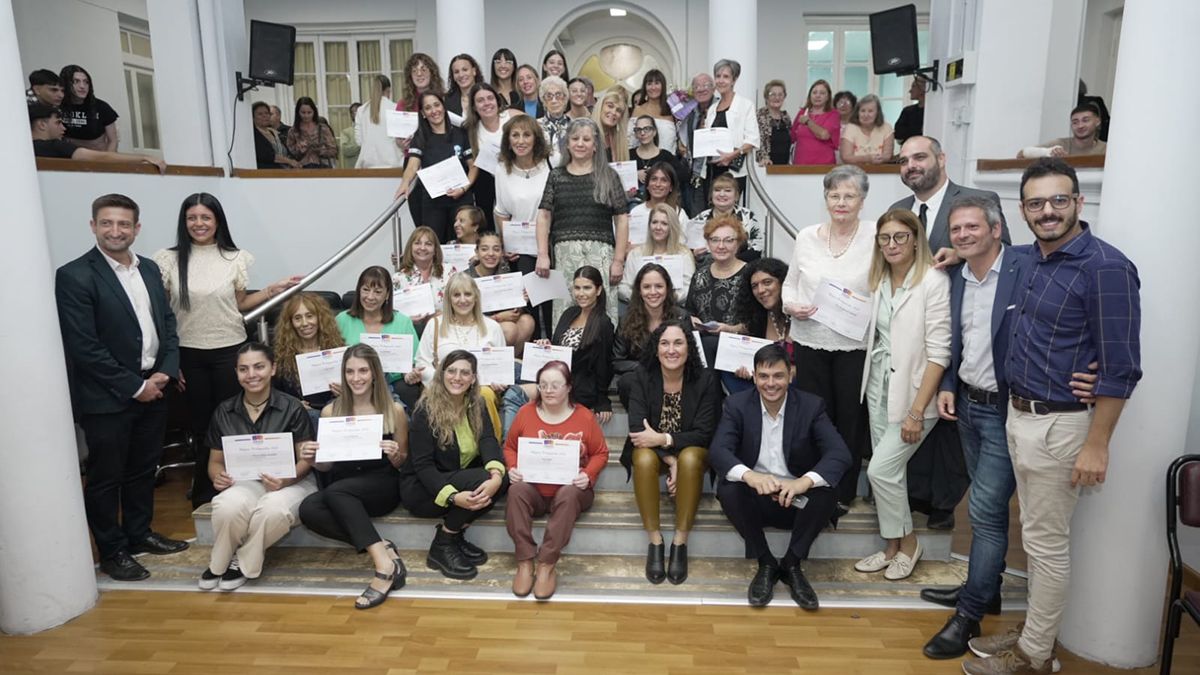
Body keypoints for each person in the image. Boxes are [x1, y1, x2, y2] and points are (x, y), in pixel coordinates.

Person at [962, 158, 1141, 675]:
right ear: (1022, 210)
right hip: (1020, 418)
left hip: (1061, 426)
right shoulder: (1031, 260)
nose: (1047, 211)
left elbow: (1122, 368)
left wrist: (1097, 443)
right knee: (1035, 538)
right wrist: (957, 252)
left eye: (1059, 200)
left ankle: (1035, 654)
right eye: (1036, 203)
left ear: (1079, 204)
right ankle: (1038, 629)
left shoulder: (1105, 268)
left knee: (1046, 543)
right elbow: (988, 253)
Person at [919, 196, 1099, 660]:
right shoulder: (956, 276)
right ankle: (988, 588)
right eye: (955, 230)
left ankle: (971, 611)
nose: (961, 235)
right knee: (988, 507)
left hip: (1007, 409)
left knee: (983, 509)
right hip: (969, 405)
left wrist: (1098, 368)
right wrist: (952, 383)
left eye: (972, 227)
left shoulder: (1024, 266)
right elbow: (961, 337)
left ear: (998, 229)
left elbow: (1070, 316)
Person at [55, 193, 188, 581]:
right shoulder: (75, 275)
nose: (116, 231)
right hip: (108, 398)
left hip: (154, 388)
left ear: (137, 229)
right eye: (108, 223)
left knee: (144, 470)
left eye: (124, 224)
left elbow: (167, 325)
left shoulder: (148, 269)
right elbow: (84, 347)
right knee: (105, 478)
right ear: (93, 226)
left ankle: (139, 533)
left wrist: (165, 370)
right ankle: (112, 551)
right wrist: (135, 387)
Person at [153, 193, 300, 507]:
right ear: (184, 222)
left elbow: (240, 305)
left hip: (229, 352)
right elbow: (165, 314)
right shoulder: (168, 259)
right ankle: (204, 489)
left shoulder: (235, 258)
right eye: (192, 218)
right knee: (202, 424)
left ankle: (238, 487)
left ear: (217, 220)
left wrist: (272, 290)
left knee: (232, 424)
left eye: (205, 217)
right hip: (189, 353)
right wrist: (170, 359)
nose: (199, 223)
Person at [709, 344, 851, 608]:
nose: (770, 384)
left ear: (791, 375)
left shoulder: (811, 406)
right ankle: (766, 562)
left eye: (778, 376)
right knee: (729, 488)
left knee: (827, 491)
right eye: (763, 376)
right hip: (758, 499)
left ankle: (792, 564)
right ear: (754, 376)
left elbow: (840, 454)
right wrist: (751, 477)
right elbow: (718, 451)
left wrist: (802, 482)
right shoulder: (736, 405)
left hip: (797, 502)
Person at [854, 209, 950, 581]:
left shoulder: (933, 282)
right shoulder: (878, 278)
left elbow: (939, 352)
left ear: (915, 239)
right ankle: (891, 547)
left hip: (914, 397)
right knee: (891, 477)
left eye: (899, 237)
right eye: (884, 238)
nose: (891, 245)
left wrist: (916, 412)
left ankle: (909, 544)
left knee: (881, 470)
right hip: (879, 387)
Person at [781, 165, 875, 514]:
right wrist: (791, 305)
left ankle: (843, 490)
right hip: (809, 340)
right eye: (834, 195)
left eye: (849, 195)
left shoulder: (874, 235)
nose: (841, 202)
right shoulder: (807, 236)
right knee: (814, 417)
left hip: (855, 344)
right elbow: (790, 282)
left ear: (862, 201)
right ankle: (815, 483)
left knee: (849, 418)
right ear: (825, 198)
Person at [298, 344, 410, 609]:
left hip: (381, 486)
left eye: (362, 371)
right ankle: (382, 547)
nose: (356, 378)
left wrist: (395, 454)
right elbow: (326, 466)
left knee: (336, 492)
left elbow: (403, 463)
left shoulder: (394, 410)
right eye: (349, 371)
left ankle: (383, 568)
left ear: (374, 373)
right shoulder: (330, 411)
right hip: (344, 488)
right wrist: (314, 458)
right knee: (308, 508)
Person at [200, 342, 316, 592]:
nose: (251, 375)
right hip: (247, 482)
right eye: (243, 369)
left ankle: (240, 562)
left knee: (272, 509)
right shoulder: (224, 411)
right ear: (236, 373)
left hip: (293, 481)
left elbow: (305, 459)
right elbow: (215, 462)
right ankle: (220, 564)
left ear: (273, 369)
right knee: (226, 505)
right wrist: (216, 477)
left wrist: (286, 480)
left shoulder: (292, 407)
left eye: (259, 367)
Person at [624, 322, 720, 585]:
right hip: (654, 451)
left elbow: (704, 433)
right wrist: (670, 458)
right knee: (642, 459)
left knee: (689, 458)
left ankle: (680, 541)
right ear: (656, 350)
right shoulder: (643, 376)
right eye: (664, 343)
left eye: (678, 343)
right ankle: (655, 540)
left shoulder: (706, 379)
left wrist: (664, 438)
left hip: (692, 450)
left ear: (689, 348)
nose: (671, 350)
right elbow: (636, 429)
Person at [399, 350, 508, 580]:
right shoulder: (425, 410)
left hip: (456, 477)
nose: (457, 377)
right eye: (452, 371)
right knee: (483, 480)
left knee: (502, 477)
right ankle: (443, 543)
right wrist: (453, 497)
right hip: (423, 489)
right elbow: (423, 466)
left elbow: (488, 439)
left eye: (465, 373)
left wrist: (497, 475)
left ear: (473, 378)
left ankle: (455, 534)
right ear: (442, 374)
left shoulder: (476, 403)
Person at [504, 360, 607, 599]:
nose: (549, 390)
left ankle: (546, 565)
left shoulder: (584, 417)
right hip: (535, 491)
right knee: (515, 490)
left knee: (569, 493)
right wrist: (513, 467)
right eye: (543, 385)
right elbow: (510, 448)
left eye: (556, 385)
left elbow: (601, 452)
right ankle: (525, 561)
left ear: (569, 387)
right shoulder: (525, 413)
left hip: (572, 491)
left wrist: (588, 475)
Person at [534, 117, 630, 328]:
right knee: (565, 311)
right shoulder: (556, 176)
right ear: (567, 143)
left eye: (586, 139)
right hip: (564, 254)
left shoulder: (609, 176)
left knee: (601, 312)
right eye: (575, 138)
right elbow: (544, 216)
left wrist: (619, 260)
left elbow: (622, 218)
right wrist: (542, 254)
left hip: (602, 254)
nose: (580, 143)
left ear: (595, 145)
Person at [502, 265, 616, 434]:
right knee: (508, 365)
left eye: (587, 288)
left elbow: (604, 365)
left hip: (573, 384)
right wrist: (546, 345)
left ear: (598, 290)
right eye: (577, 288)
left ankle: (508, 449)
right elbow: (558, 348)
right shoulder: (570, 312)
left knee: (513, 395)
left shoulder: (603, 323)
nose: (581, 293)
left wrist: (602, 400)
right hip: (551, 371)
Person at [891, 135, 1009, 266]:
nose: (911, 166)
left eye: (919, 157)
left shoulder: (980, 201)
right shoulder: (897, 210)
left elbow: (1005, 254)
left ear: (941, 159)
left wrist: (961, 254)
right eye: (903, 161)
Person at [413, 273, 507, 436]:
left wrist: (500, 381)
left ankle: (490, 449)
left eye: (468, 294)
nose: (462, 300)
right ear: (448, 299)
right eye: (456, 295)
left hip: (482, 389)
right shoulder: (434, 325)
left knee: (484, 394)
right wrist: (448, 383)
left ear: (476, 297)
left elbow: (502, 368)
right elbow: (422, 364)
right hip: (443, 388)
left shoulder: (493, 327)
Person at [493, 113, 554, 338]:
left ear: (536, 138)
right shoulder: (502, 169)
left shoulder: (550, 164)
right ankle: (533, 356)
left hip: (549, 242)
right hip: (521, 250)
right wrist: (506, 244)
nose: (520, 140)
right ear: (508, 140)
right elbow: (501, 211)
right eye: (515, 135)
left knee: (549, 304)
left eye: (526, 135)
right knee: (528, 305)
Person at [337, 266, 422, 409]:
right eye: (365, 290)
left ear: (387, 294)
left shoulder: (402, 321)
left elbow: (415, 362)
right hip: (353, 386)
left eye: (377, 292)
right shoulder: (341, 320)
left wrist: (411, 374)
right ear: (358, 291)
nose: (370, 297)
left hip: (392, 386)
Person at [395, 92, 476, 243]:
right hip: (433, 202)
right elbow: (413, 164)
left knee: (462, 244)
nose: (434, 111)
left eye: (437, 105)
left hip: (460, 199)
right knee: (433, 244)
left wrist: (464, 188)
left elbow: (473, 167)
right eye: (428, 108)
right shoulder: (419, 138)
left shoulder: (461, 134)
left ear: (443, 107)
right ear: (423, 114)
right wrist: (405, 183)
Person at [614, 264, 692, 396]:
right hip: (643, 380)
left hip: (676, 377)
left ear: (667, 289)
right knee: (627, 382)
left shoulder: (682, 317)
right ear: (639, 290)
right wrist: (648, 366)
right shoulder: (626, 320)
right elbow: (617, 361)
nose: (653, 292)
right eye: (646, 287)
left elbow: (693, 356)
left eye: (659, 286)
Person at [271, 292, 345, 425]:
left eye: (310, 316)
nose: (304, 323)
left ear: (320, 318)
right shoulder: (281, 356)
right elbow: (274, 393)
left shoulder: (339, 350)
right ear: (290, 323)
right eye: (297, 318)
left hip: (335, 411)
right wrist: (292, 403)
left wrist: (345, 391)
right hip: (298, 416)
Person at [30, 103, 166, 172]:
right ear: (42, 124)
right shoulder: (55, 145)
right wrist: (144, 157)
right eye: (58, 123)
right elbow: (102, 157)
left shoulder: (24, 151)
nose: (63, 128)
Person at [687, 214, 749, 365]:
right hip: (703, 346)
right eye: (715, 240)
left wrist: (729, 329)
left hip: (738, 347)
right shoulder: (700, 274)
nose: (721, 246)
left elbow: (758, 322)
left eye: (728, 240)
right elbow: (689, 310)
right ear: (708, 243)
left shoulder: (750, 274)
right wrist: (692, 320)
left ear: (738, 243)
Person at [725, 256, 792, 395]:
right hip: (768, 385)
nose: (760, 290)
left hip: (798, 384)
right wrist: (748, 370)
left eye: (767, 282)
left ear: (783, 283)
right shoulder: (759, 318)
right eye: (754, 286)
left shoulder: (799, 315)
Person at [466, 82, 523, 233]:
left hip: (518, 177)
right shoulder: (471, 130)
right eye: (480, 100)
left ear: (497, 100)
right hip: (490, 183)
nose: (486, 103)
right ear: (474, 106)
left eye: (490, 98)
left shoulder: (512, 116)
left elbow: (536, 133)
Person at [466, 232, 535, 355]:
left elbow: (515, 311)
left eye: (496, 249)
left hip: (501, 323)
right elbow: (462, 316)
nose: (491, 254)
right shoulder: (466, 278)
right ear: (476, 252)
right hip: (471, 327)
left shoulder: (506, 274)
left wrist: (520, 301)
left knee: (527, 321)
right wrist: (497, 318)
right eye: (484, 249)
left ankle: (511, 363)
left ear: (502, 253)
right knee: (510, 329)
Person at [703, 59, 760, 199]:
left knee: (732, 212)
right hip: (712, 169)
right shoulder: (712, 109)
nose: (721, 80)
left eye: (726, 77)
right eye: (718, 76)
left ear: (734, 80)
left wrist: (732, 155)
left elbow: (752, 140)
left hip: (734, 170)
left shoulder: (745, 105)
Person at [620, 203, 695, 303]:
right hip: (641, 310)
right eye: (654, 222)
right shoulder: (635, 254)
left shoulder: (684, 254)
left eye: (664, 223)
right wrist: (643, 297)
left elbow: (689, 287)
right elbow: (623, 287)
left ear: (672, 227)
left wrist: (667, 298)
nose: (658, 227)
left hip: (674, 309)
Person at [393, 226, 449, 334]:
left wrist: (443, 315)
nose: (422, 248)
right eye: (417, 243)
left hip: (443, 330)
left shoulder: (448, 272)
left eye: (428, 244)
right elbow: (391, 315)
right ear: (411, 247)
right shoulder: (398, 278)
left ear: (435, 250)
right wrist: (407, 320)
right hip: (410, 332)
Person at [625, 162, 686, 250]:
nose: (658, 184)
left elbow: (682, 247)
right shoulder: (636, 212)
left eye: (664, 180)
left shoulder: (679, 214)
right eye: (654, 179)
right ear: (647, 185)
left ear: (671, 187)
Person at [58, 65, 118, 151]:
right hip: (67, 159)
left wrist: (108, 161)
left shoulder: (102, 107)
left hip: (98, 158)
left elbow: (113, 140)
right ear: (66, 84)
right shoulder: (58, 106)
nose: (82, 86)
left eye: (86, 82)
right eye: (76, 81)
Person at [680, 72, 716, 217]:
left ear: (714, 88)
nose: (701, 89)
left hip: (716, 170)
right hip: (695, 172)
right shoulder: (690, 112)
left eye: (705, 85)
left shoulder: (721, 108)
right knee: (697, 217)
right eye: (697, 86)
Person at [1017, 103, 1106, 158]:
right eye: (1075, 122)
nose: (1080, 126)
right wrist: (1048, 152)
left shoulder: (1106, 149)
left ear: (1097, 121)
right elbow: (1021, 154)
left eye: (1085, 120)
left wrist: (1068, 160)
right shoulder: (1060, 144)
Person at [355, 75, 404, 168]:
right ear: (388, 90)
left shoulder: (361, 110)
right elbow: (402, 140)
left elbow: (359, 141)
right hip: (393, 163)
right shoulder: (395, 108)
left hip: (368, 164)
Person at [630, 69, 680, 155]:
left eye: (657, 83)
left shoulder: (671, 110)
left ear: (663, 86)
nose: (653, 87)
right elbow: (631, 142)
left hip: (668, 162)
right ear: (645, 87)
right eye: (649, 84)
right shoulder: (638, 110)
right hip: (644, 163)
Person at [790, 79, 839, 165]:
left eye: (822, 93)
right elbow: (792, 136)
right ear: (810, 95)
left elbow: (824, 135)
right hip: (800, 165)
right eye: (814, 92)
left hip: (824, 165)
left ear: (828, 97)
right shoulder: (802, 112)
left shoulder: (833, 114)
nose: (817, 96)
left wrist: (808, 121)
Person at [840, 94, 895, 165]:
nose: (866, 115)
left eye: (870, 111)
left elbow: (888, 156)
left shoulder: (887, 128)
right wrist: (868, 159)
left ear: (877, 113)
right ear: (858, 112)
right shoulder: (850, 128)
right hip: (854, 172)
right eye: (862, 111)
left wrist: (880, 159)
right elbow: (846, 157)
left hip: (880, 172)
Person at [631, 115, 676, 199]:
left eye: (646, 129)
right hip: (634, 202)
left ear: (654, 132)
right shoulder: (629, 155)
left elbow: (682, 176)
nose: (642, 133)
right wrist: (634, 174)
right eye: (638, 130)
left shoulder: (666, 156)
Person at [286, 97, 338, 168]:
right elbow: (289, 154)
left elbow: (333, 150)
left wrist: (320, 150)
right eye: (303, 112)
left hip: (322, 168)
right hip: (301, 169)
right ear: (298, 113)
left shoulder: (323, 129)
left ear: (314, 112)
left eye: (309, 112)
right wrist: (299, 149)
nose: (306, 116)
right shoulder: (293, 131)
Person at [252, 101, 298, 169]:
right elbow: (268, 156)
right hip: (267, 173)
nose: (264, 116)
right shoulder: (254, 135)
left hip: (285, 171)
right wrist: (290, 161)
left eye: (267, 113)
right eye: (260, 114)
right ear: (253, 117)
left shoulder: (274, 132)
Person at [756, 80, 792, 166]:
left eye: (780, 94)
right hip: (764, 166)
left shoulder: (786, 117)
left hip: (784, 166)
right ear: (766, 97)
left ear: (784, 97)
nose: (777, 97)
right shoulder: (758, 116)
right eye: (772, 94)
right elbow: (754, 143)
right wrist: (762, 158)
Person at [538, 76, 571, 167]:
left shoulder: (574, 126)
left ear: (565, 99)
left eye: (558, 95)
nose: (554, 100)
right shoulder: (535, 126)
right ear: (543, 101)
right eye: (549, 96)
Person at [592, 87, 631, 164]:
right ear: (601, 105)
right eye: (610, 106)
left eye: (619, 110)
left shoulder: (618, 140)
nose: (613, 112)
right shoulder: (586, 133)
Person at [444, 53, 483, 119]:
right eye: (456, 72)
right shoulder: (447, 100)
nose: (461, 75)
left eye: (465, 70)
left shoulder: (487, 96)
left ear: (474, 71)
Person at [894, 78, 926, 144]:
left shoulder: (931, 112)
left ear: (923, 89)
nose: (910, 91)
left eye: (913, 86)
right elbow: (898, 134)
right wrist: (918, 129)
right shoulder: (907, 111)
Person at [338, 102, 362, 168]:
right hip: (353, 170)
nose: (355, 114)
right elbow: (345, 150)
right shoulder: (345, 132)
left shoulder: (370, 131)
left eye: (357, 111)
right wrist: (361, 145)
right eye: (353, 112)